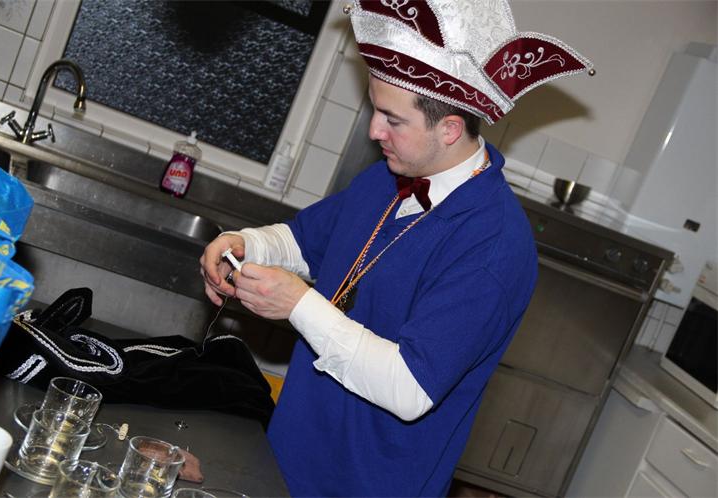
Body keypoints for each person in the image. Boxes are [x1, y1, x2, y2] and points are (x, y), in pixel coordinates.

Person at [200, 1, 593, 496]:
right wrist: (247, 243)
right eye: (374, 109)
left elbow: (410, 390)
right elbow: (303, 240)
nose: (374, 131)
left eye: (392, 119)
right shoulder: (387, 177)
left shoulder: (494, 246)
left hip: (373, 485)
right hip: (286, 459)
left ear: (450, 128)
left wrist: (298, 304)